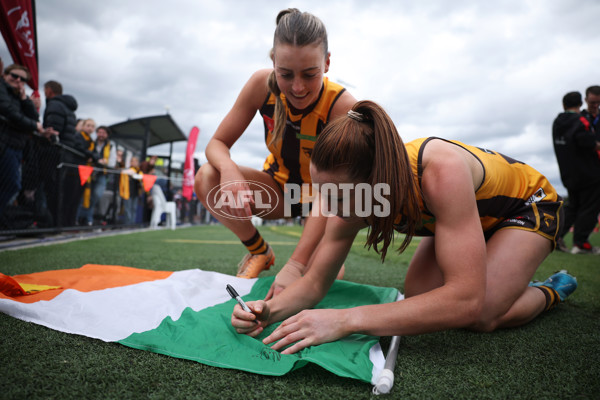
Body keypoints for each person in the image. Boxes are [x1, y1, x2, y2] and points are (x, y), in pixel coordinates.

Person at [231, 100, 578, 354]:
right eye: (322, 193)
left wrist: (345, 320)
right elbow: (315, 282)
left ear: (376, 183)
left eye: (337, 198)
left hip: (529, 206)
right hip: (468, 218)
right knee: (420, 296)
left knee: (482, 312)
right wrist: (266, 311)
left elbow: (466, 301)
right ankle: (499, 269)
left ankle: (549, 290)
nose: (328, 210)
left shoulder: (441, 171)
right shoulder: (353, 193)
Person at [194, 8, 356, 285]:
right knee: (208, 176)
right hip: (280, 192)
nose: (297, 88)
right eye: (286, 74)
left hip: (323, 200)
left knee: (323, 279)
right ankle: (259, 252)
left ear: (327, 63)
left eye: (309, 74)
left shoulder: (341, 106)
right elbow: (217, 143)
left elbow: (335, 189)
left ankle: (308, 260)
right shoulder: (260, 85)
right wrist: (229, 170)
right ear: (274, 62)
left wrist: (297, 264)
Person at [0, 64, 56, 217]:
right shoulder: (2, 89)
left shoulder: (19, 96)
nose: (18, 80)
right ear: (5, 75)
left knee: (12, 185)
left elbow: (34, 118)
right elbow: (9, 112)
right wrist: (35, 126)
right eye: (14, 76)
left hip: (15, 146)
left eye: (22, 79)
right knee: (11, 185)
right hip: (5, 144)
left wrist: (24, 99)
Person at [42, 80, 96, 227]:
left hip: (56, 155)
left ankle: (52, 223)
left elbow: (53, 131)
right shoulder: (69, 110)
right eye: (88, 125)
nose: (90, 128)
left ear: (48, 90)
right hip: (66, 159)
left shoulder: (55, 105)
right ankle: (57, 223)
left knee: (54, 191)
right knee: (60, 193)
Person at [553, 92, 600, 254]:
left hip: (568, 173)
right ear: (581, 104)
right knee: (590, 207)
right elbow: (587, 142)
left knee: (572, 206)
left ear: (563, 104)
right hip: (589, 173)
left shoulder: (558, 122)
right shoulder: (580, 120)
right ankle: (581, 243)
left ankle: (556, 237)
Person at [77, 124, 116, 225]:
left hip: (101, 174)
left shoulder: (111, 146)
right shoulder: (91, 142)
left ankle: (87, 217)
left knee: (96, 195)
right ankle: (84, 218)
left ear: (107, 134)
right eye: (99, 132)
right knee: (84, 195)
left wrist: (104, 161)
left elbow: (112, 163)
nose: (101, 135)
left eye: (103, 133)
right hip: (88, 172)